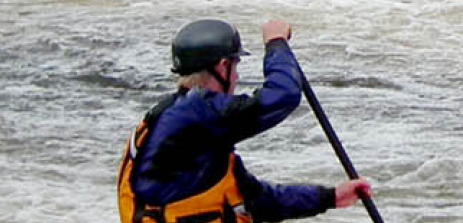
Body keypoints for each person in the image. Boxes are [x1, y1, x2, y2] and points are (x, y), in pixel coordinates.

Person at [118, 18, 373, 223]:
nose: (237, 76)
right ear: (222, 67)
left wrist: (330, 197)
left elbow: (259, 202)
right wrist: (276, 43)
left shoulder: (192, 127)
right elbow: (283, 96)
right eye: (236, 66)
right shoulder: (197, 115)